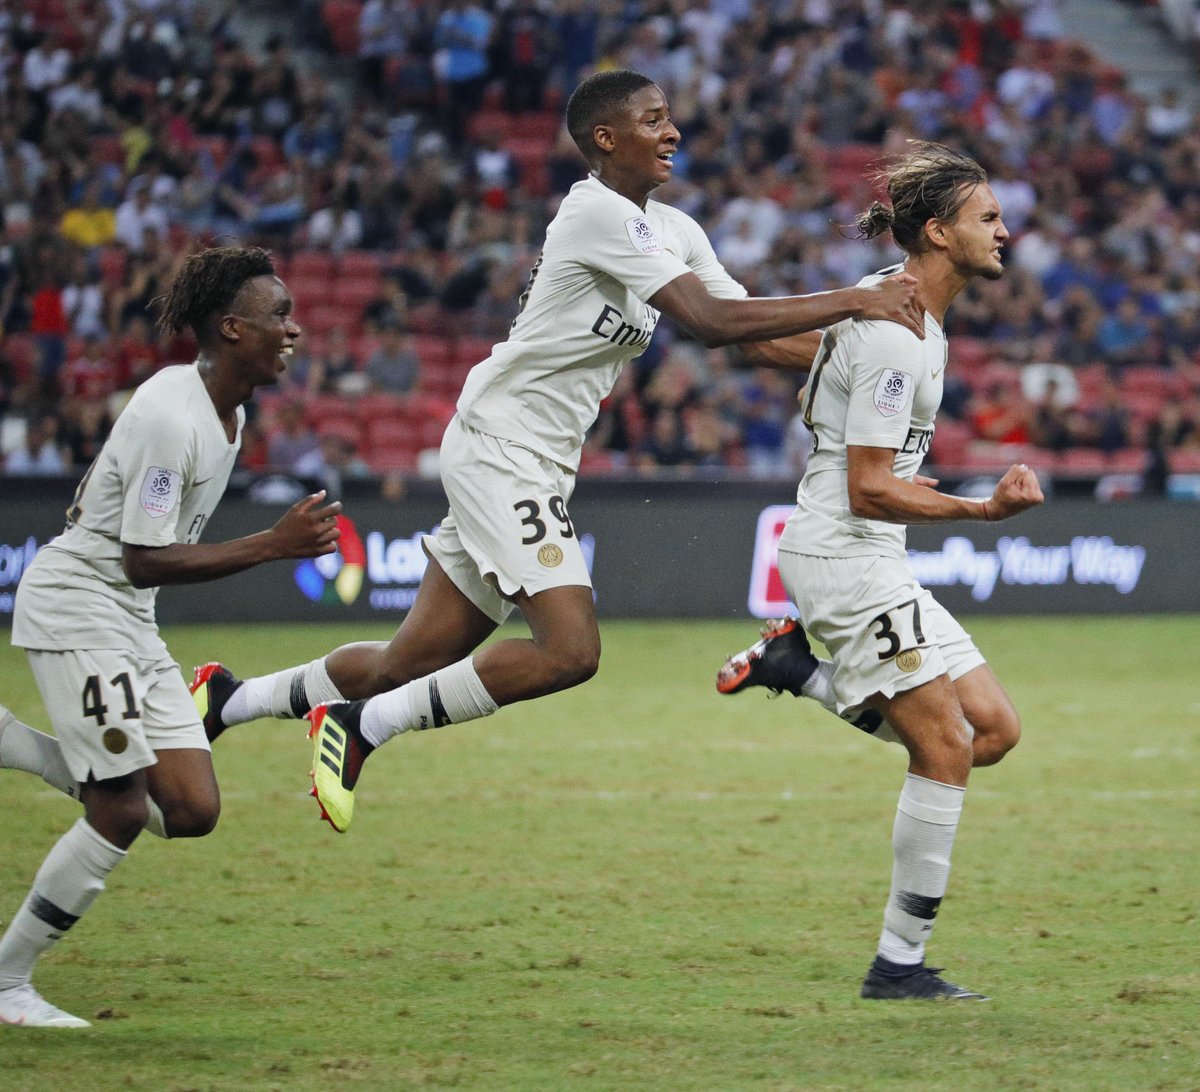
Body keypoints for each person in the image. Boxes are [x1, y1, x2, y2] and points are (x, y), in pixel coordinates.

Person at [190, 69, 924, 836]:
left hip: (530, 458)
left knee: (403, 665)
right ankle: (359, 729)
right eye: (653, 120)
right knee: (569, 649)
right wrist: (858, 300)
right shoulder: (594, 215)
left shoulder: (671, 230)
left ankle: (225, 700)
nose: (673, 132)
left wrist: (870, 368)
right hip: (502, 446)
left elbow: (753, 332)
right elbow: (709, 322)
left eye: (670, 118)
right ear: (606, 139)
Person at [715, 143, 1044, 1001]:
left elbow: (788, 359)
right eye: (987, 219)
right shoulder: (897, 334)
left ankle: (798, 669)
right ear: (937, 232)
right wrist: (983, 513)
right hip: (846, 556)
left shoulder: (895, 306)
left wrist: (827, 374)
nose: (1006, 231)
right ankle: (899, 967)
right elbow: (867, 490)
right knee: (944, 749)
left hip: (869, 556)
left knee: (992, 733)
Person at [0, 245, 342, 1028]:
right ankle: (8, 983)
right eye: (278, 316)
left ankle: (15, 743)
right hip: (82, 606)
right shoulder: (169, 415)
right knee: (118, 809)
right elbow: (142, 557)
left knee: (188, 809)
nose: (294, 329)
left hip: (128, 621)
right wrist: (272, 544)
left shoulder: (230, 413)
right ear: (231, 328)